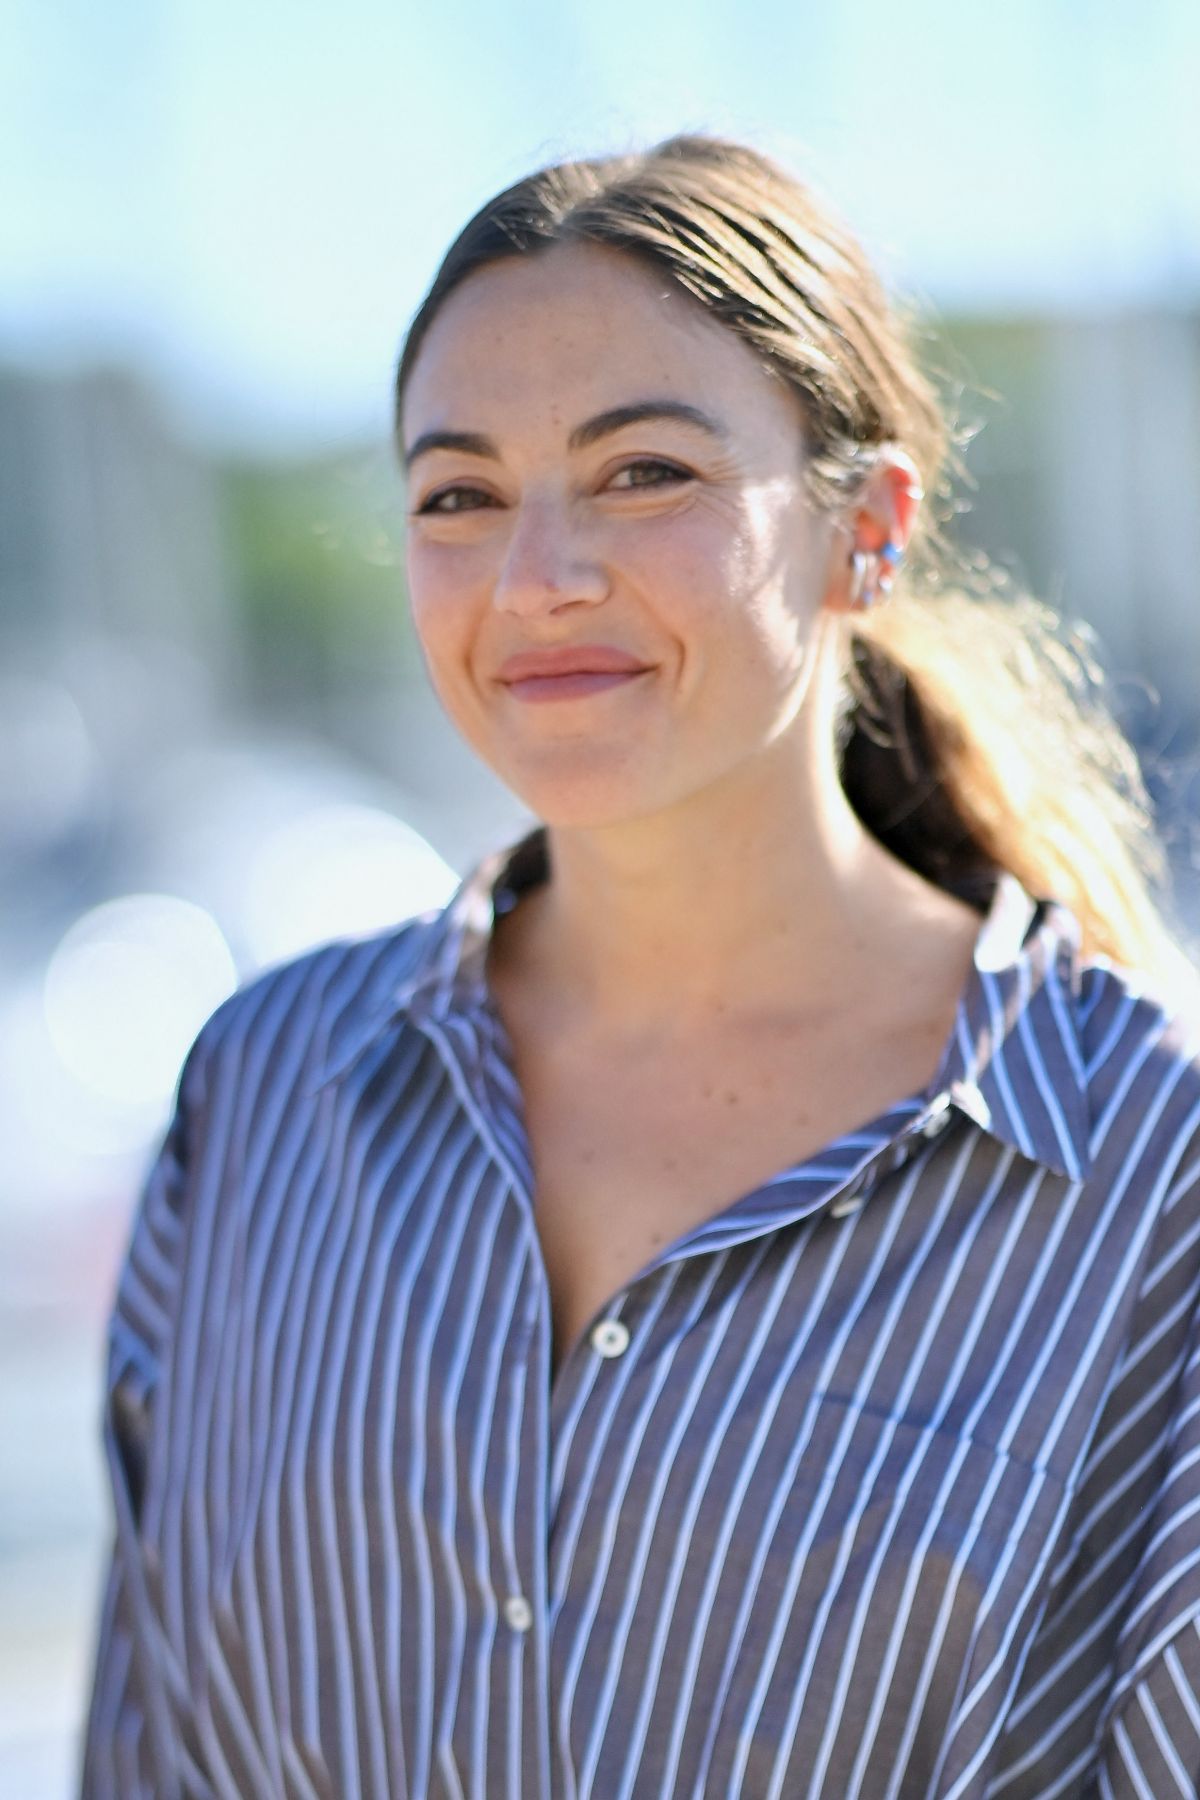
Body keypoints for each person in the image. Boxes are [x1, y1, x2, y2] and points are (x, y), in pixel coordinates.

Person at [81, 134, 1200, 1799]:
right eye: (459, 495)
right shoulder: (259, 1097)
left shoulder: (1143, 1172)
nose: (538, 579)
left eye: (645, 473)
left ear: (866, 531)